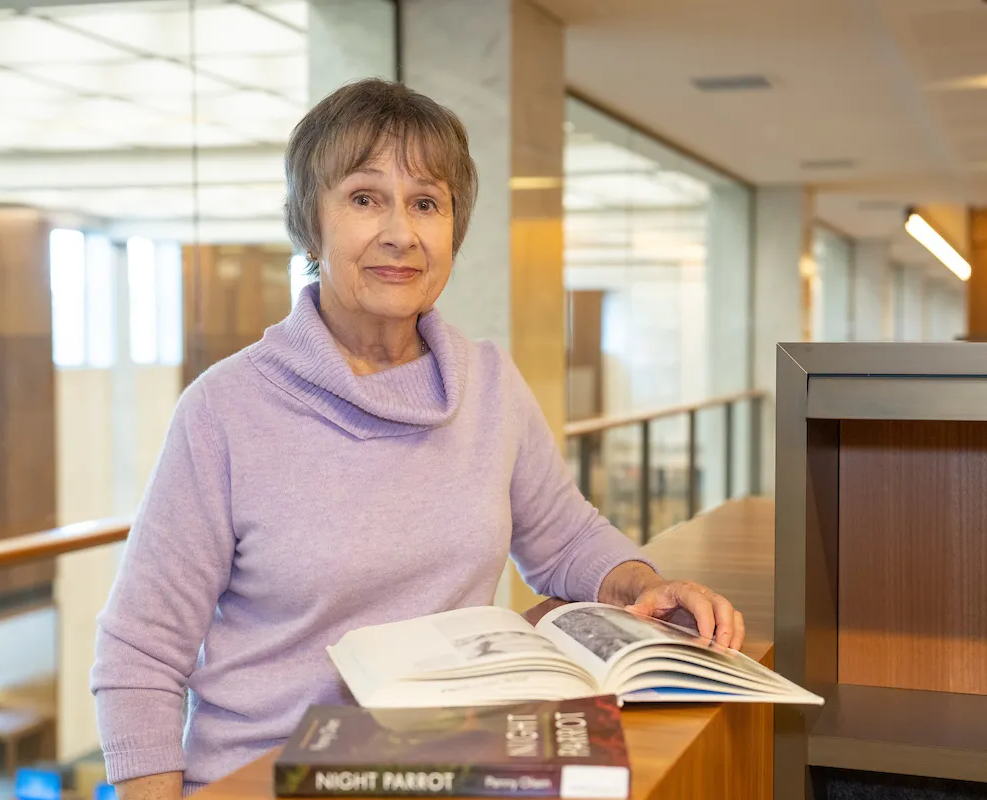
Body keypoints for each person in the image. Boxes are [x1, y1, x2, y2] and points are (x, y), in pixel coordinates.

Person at [91, 78, 745, 799]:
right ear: (310, 225)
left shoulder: (489, 383)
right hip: (270, 776)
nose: (400, 232)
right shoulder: (223, 410)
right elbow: (140, 652)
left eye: (426, 203)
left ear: (452, 233)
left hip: (453, 765)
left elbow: (563, 541)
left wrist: (646, 584)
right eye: (365, 198)